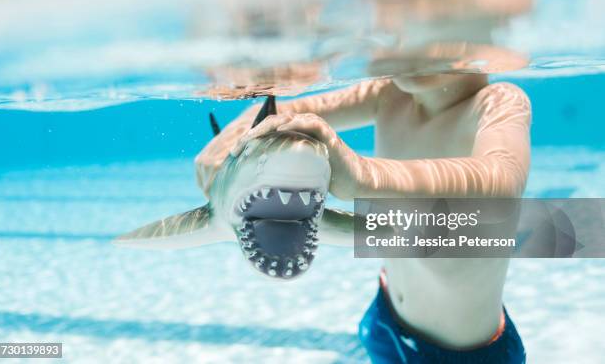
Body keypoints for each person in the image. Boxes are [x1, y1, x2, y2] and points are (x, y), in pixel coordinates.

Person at [195, 71, 531, 363]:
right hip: (385, 314)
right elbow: (277, 112)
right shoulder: (391, 91)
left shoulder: (499, 102)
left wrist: (364, 174)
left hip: (466, 357)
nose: (402, 48)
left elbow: (500, 181)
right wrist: (233, 148)